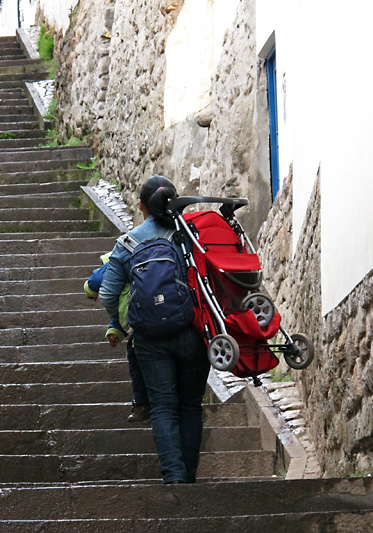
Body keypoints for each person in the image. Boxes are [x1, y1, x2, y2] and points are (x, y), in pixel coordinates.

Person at [99, 175, 210, 484]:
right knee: (190, 405)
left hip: (149, 338)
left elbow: (107, 294)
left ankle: (174, 479)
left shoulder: (127, 243)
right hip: (192, 331)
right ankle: (188, 477)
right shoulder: (191, 235)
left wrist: (119, 323)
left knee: (163, 407)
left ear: (141, 206)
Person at [84, 254, 150, 423]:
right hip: (159, 312)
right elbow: (121, 304)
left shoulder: (118, 257)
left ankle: (142, 403)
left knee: (136, 358)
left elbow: (96, 281)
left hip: (141, 320)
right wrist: (115, 329)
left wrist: (89, 289)